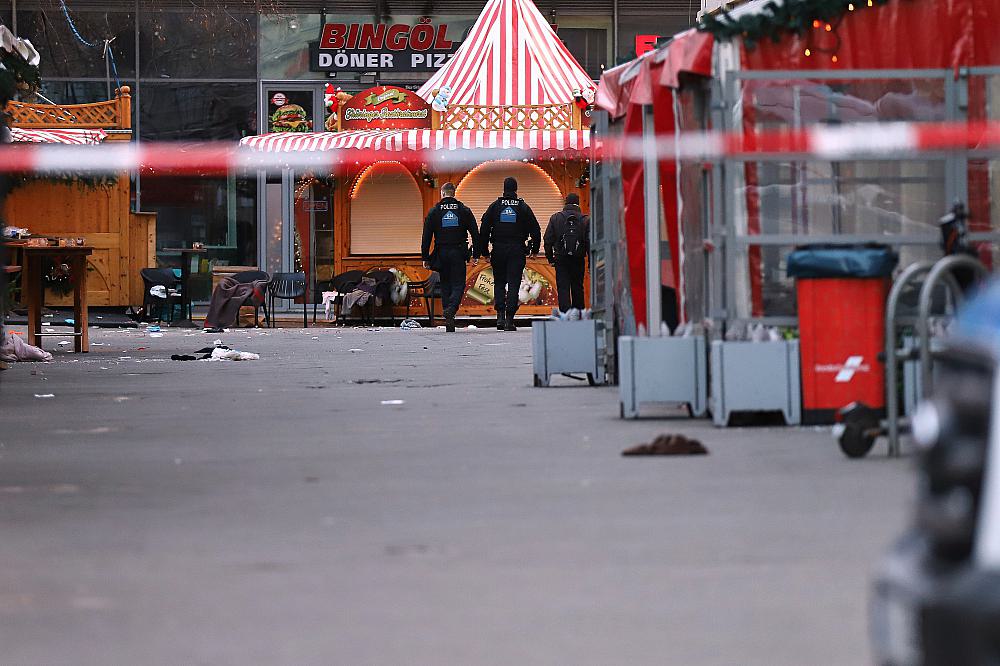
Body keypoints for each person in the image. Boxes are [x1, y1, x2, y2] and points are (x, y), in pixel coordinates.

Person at [479, 177, 542, 331]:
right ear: (516, 189)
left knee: (499, 283)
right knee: (514, 284)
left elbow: (484, 230)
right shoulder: (523, 207)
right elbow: (536, 230)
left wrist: (485, 252)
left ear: (504, 188)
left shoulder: (495, 206)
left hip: (498, 249)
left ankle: (499, 317)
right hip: (517, 250)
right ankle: (509, 320)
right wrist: (534, 250)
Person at [421, 182, 480, 332]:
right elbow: (475, 233)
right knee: (459, 283)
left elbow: (426, 236)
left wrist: (425, 257)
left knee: (446, 284)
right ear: (453, 193)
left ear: (442, 194)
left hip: (441, 253)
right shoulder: (463, 210)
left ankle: (449, 318)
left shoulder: (434, 211)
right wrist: (476, 254)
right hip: (458, 252)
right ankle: (452, 309)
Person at [544, 192, 590, 314]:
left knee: (563, 287)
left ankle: (565, 315)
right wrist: (591, 263)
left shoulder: (556, 218)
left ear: (566, 203)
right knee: (577, 287)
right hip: (578, 259)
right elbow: (590, 242)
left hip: (561, 259)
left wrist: (550, 258)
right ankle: (579, 315)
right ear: (578, 203)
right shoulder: (585, 220)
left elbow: (547, 240)